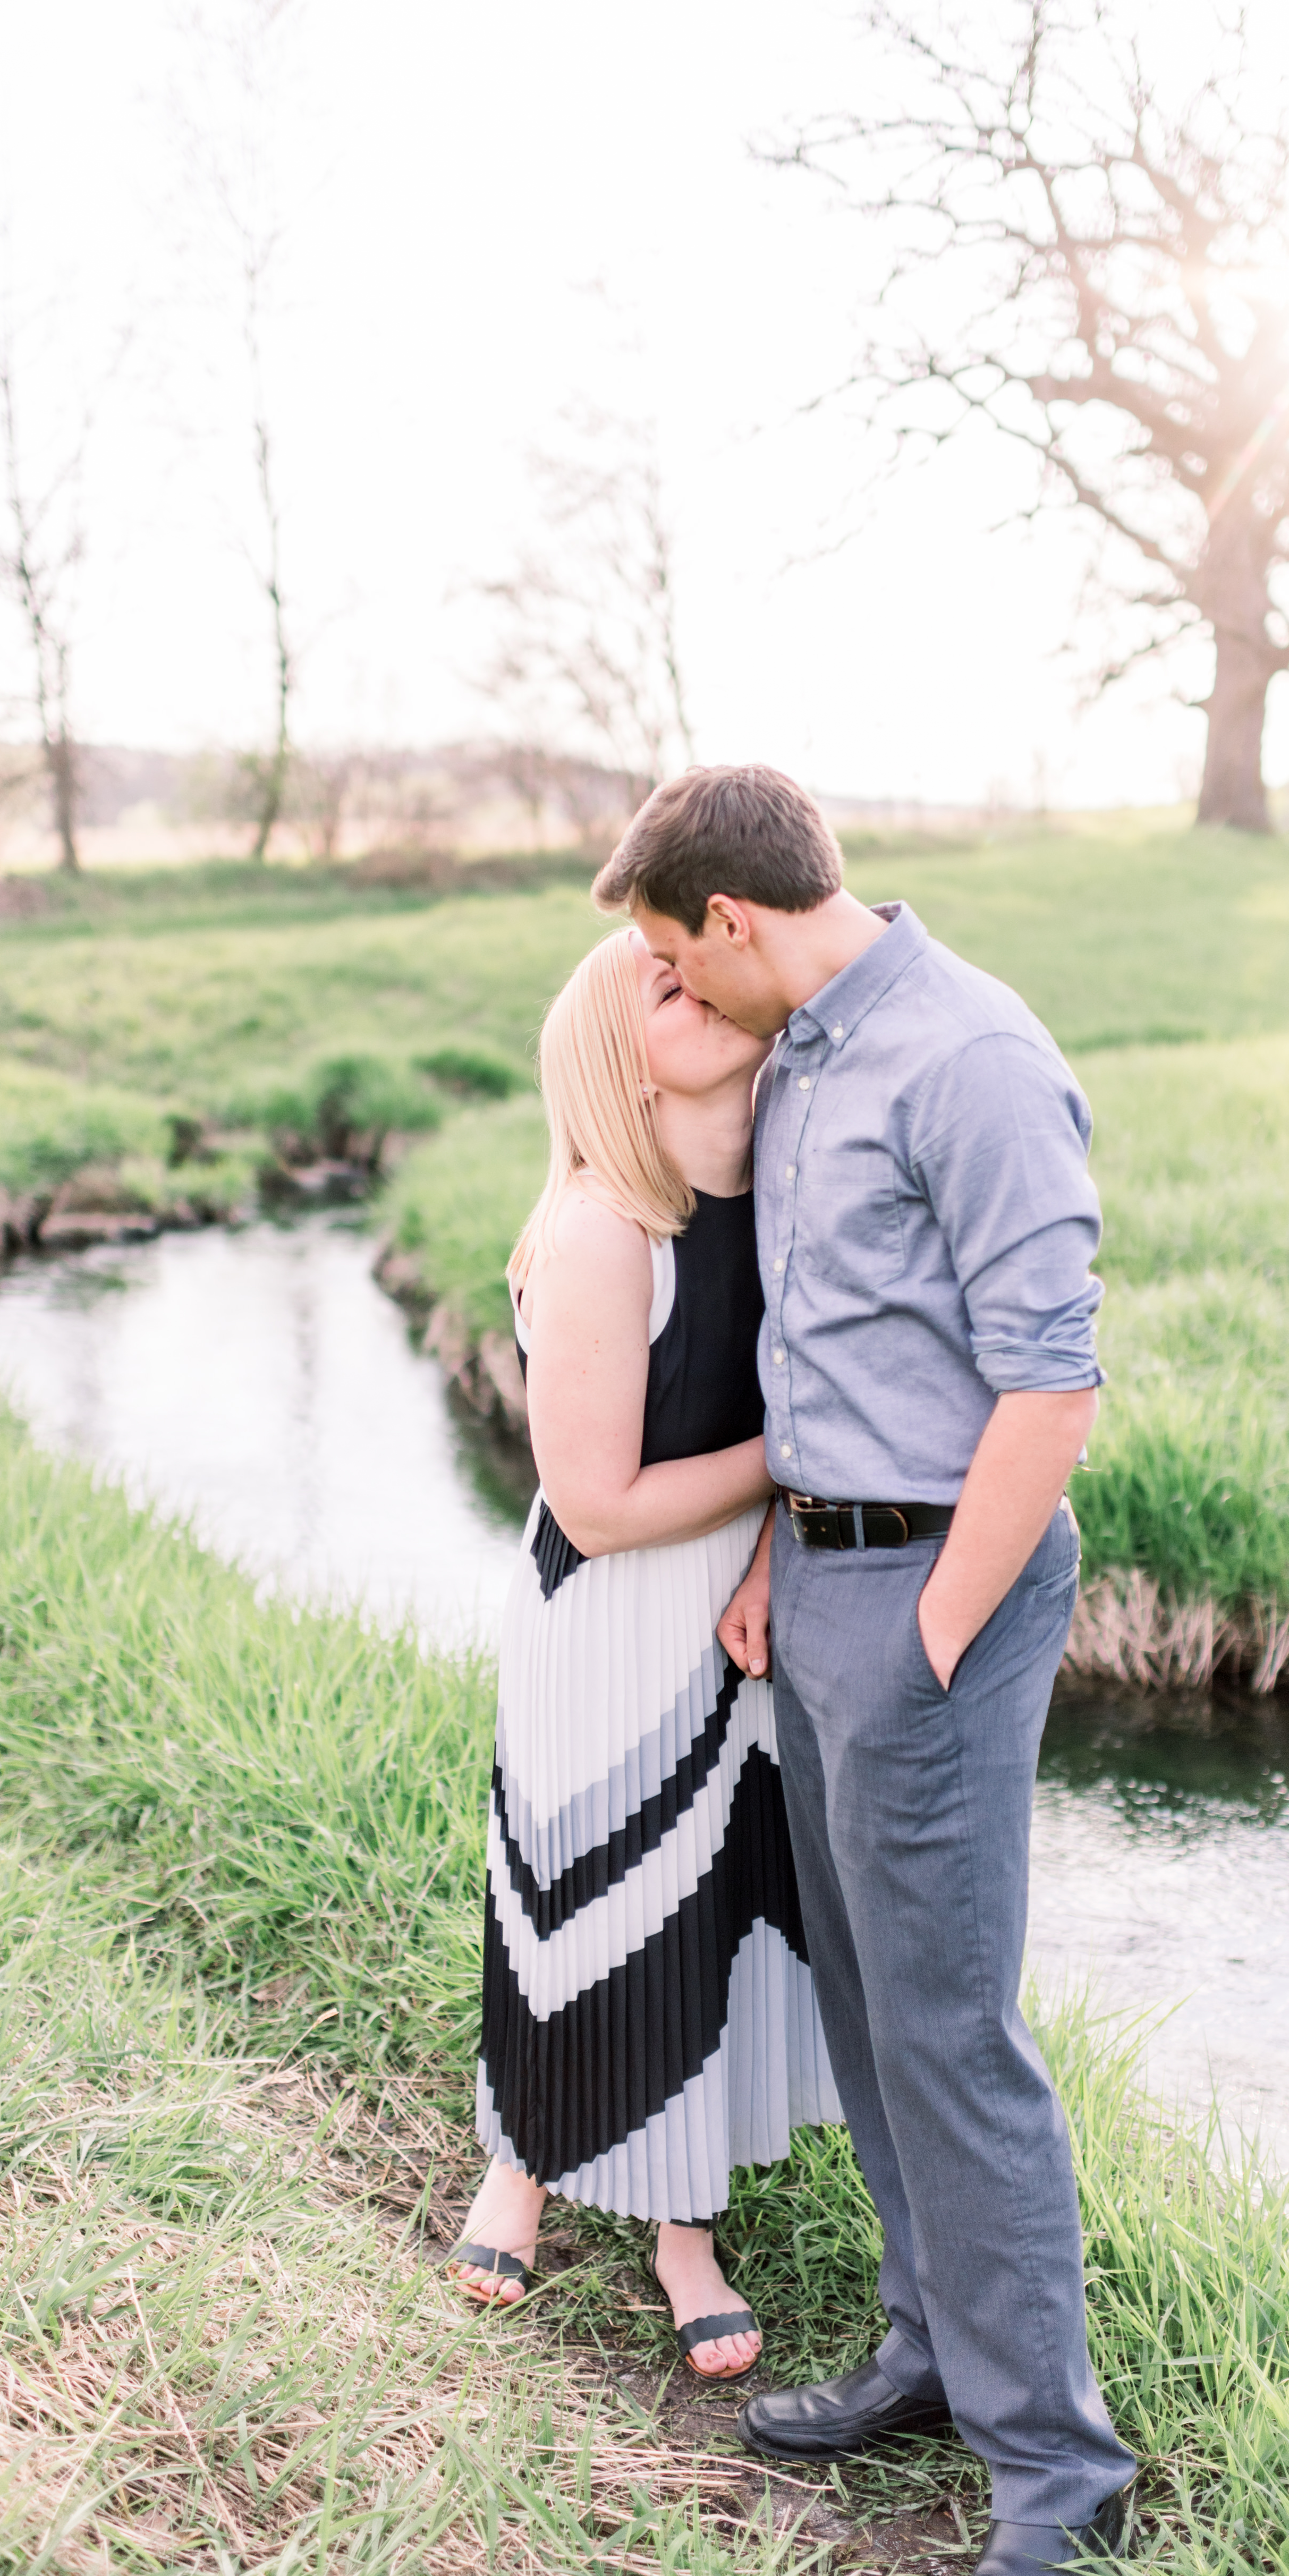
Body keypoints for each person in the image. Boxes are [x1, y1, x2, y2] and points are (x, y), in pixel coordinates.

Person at [593, 767, 1135, 2576]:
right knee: (861, 2007)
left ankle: (1059, 2489)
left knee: (951, 2037)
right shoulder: (810, 1045)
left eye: (672, 955)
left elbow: (1046, 1395)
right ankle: (926, 2354)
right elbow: (840, 1345)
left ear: (732, 922)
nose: (672, 985)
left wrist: (922, 1638)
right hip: (819, 1575)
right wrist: (782, 1559)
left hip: (935, 1599)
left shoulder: (969, 1057)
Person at [448, 925, 840, 2382]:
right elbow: (601, 1507)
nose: (685, 982)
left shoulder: (791, 1198)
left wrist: (764, 1550)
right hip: (603, 1619)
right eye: (652, 985)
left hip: (729, 1610)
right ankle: (521, 2165)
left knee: (707, 1908)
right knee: (572, 1902)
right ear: (611, 1056)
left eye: (694, 965)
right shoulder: (604, 1228)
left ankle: (685, 2231)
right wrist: (796, 1455)